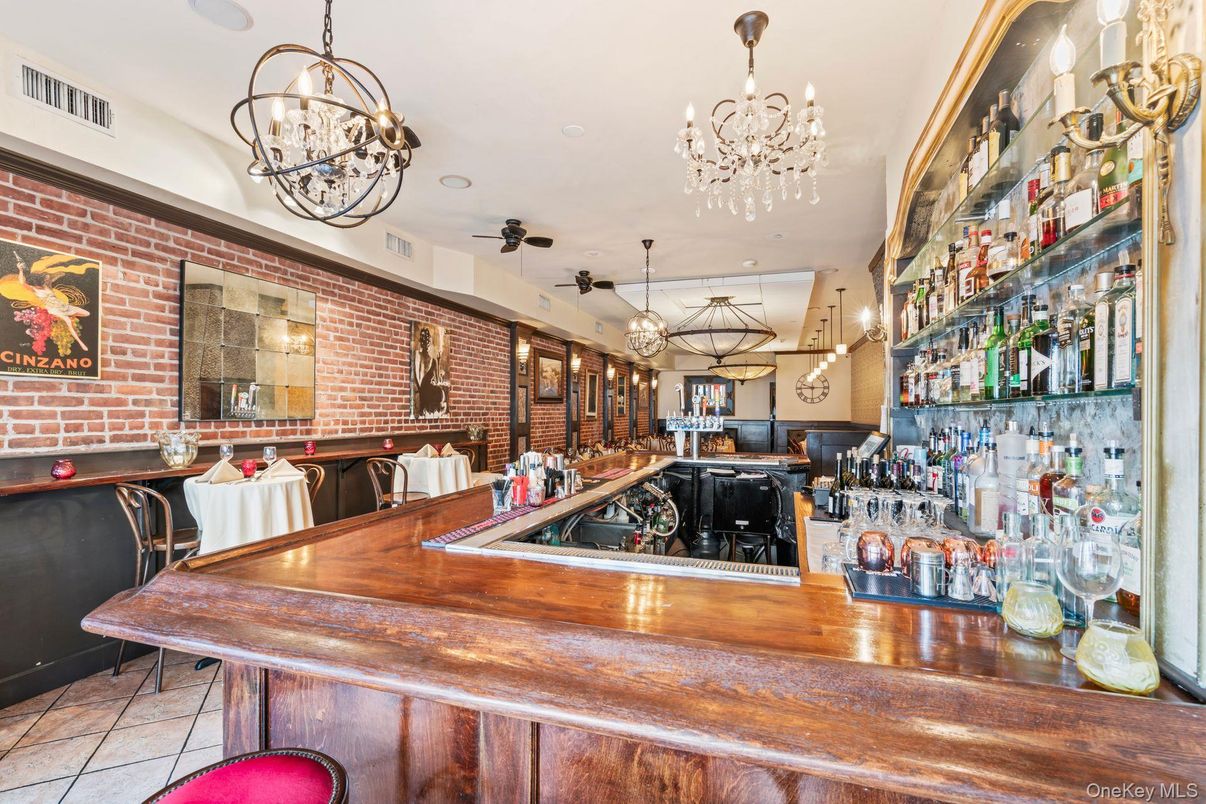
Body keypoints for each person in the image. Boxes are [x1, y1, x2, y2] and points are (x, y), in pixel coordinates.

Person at [413, 325, 447, 417]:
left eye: (427, 339)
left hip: (424, 391)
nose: (427, 342)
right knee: (441, 392)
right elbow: (435, 380)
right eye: (425, 339)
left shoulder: (419, 356)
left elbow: (435, 380)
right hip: (426, 392)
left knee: (440, 392)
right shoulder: (419, 356)